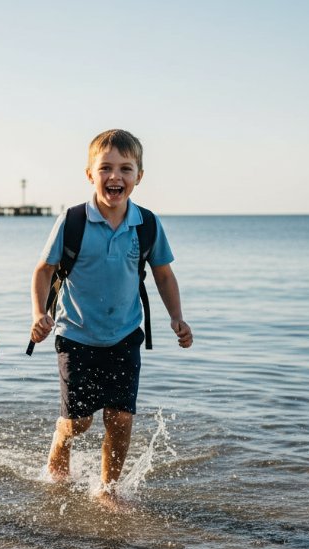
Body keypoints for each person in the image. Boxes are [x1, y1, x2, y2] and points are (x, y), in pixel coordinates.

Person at [29, 129, 192, 504]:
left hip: (124, 336)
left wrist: (177, 318)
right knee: (79, 422)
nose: (115, 176)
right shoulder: (73, 221)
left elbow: (164, 274)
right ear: (90, 174)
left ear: (139, 176)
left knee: (120, 419)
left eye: (125, 168)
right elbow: (43, 270)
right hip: (76, 336)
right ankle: (61, 439)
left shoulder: (147, 224)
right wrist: (40, 313)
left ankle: (108, 489)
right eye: (105, 168)